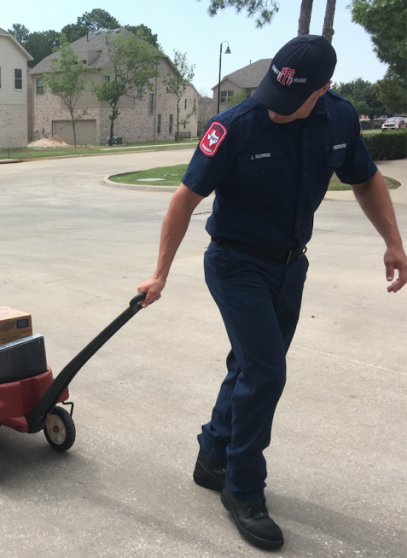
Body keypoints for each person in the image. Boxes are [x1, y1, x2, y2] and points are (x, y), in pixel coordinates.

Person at [137, 36, 406, 550]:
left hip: (290, 266)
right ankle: (242, 487)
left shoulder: (340, 119)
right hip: (235, 263)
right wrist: (161, 274)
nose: (276, 110)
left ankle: (212, 454)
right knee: (265, 372)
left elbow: (366, 179)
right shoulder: (234, 125)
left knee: (248, 365)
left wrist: (394, 243)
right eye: (272, 96)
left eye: (292, 101)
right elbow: (183, 200)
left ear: (324, 89)